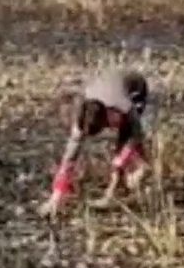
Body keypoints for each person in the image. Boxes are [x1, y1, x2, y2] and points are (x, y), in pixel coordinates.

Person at [39, 67, 154, 217]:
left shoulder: (122, 106)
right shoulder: (82, 116)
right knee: (117, 155)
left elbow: (137, 134)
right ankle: (123, 184)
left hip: (136, 86)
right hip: (106, 88)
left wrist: (121, 161)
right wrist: (56, 196)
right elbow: (69, 159)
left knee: (124, 141)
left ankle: (123, 185)